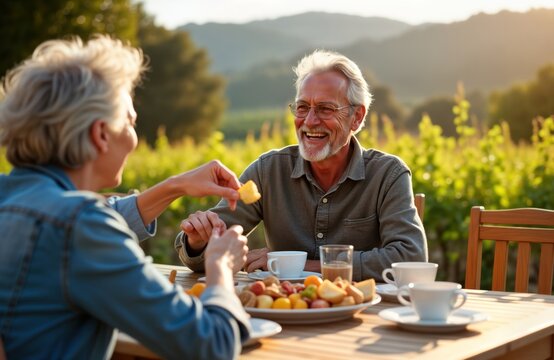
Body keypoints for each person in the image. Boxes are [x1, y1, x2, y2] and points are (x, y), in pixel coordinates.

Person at [0, 35, 250, 360]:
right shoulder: (80, 224)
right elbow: (211, 344)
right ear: (101, 134)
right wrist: (220, 267)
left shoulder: (17, 199)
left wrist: (176, 185)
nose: (134, 137)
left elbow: (91, 220)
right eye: (131, 122)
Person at [176, 49, 428, 282]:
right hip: (282, 314)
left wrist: (294, 264)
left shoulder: (388, 175)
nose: (309, 120)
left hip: (362, 316)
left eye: (325, 109)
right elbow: (204, 255)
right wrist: (198, 242)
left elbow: (410, 258)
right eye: (302, 107)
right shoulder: (267, 171)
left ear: (357, 117)